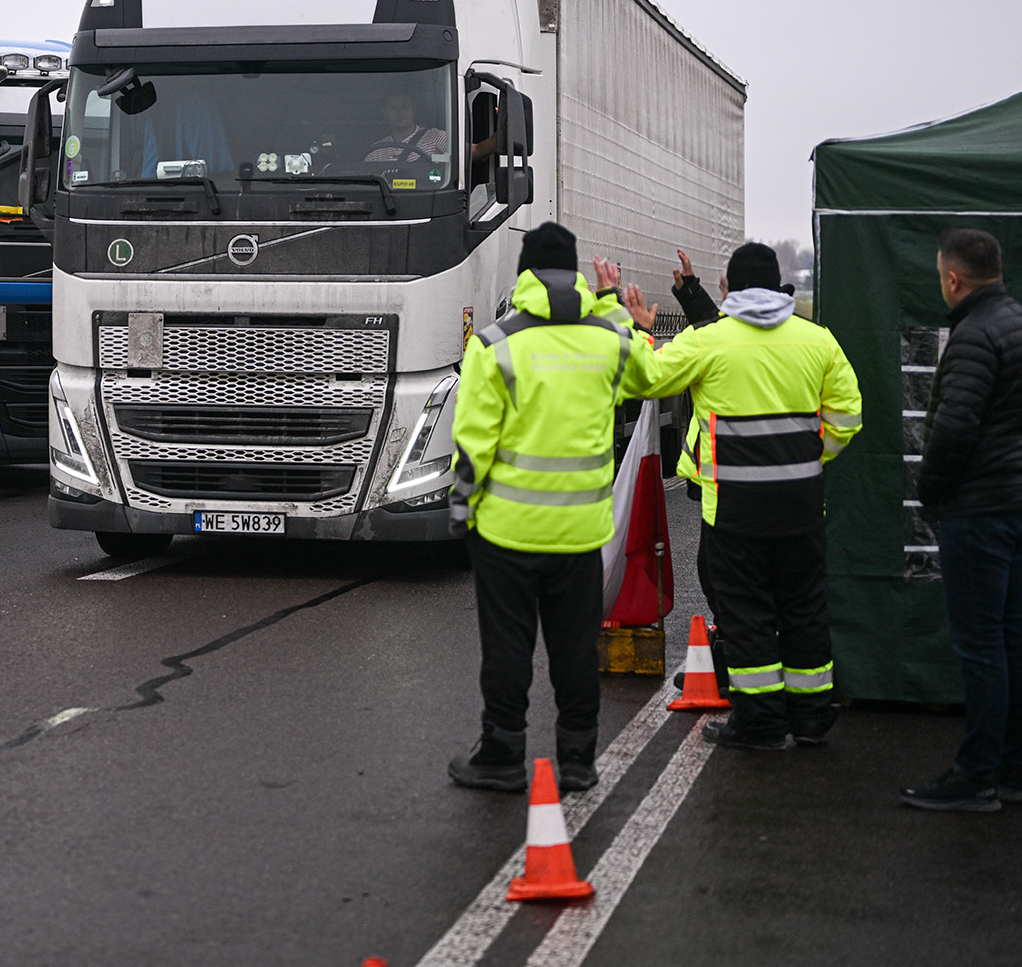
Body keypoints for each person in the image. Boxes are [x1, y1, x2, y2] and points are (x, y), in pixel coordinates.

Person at [447, 222, 663, 794]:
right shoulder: (609, 344)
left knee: (507, 648)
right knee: (574, 648)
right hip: (579, 532)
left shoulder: (494, 346)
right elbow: (647, 374)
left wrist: (461, 510)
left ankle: (502, 756)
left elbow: (473, 444)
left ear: (524, 275)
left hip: (505, 532)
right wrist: (618, 309)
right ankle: (576, 760)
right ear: (574, 275)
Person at [628, 242, 863, 750]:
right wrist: (804, 459)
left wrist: (643, 332)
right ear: (778, 284)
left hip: (734, 509)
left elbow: (645, 378)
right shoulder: (817, 339)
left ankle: (760, 724)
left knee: (747, 613)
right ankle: (812, 716)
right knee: (803, 608)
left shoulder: (712, 341)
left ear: (729, 287)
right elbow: (848, 415)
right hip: (801, 504)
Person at [900, 229, 1022, 813]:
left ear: (953, 278)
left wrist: (931, 491)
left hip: (980, 509)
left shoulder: (972, 336)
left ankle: (976, 775)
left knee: (980, 645)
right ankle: (1013, 770)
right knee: (1012, 637)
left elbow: (954, 428)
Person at [363, 91, 451, 165]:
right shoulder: (375, 151)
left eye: (405, 106)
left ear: (414, 109)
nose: (400, 112)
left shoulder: (435, 137)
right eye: (394, 108)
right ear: (384, 113)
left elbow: (460, 155)